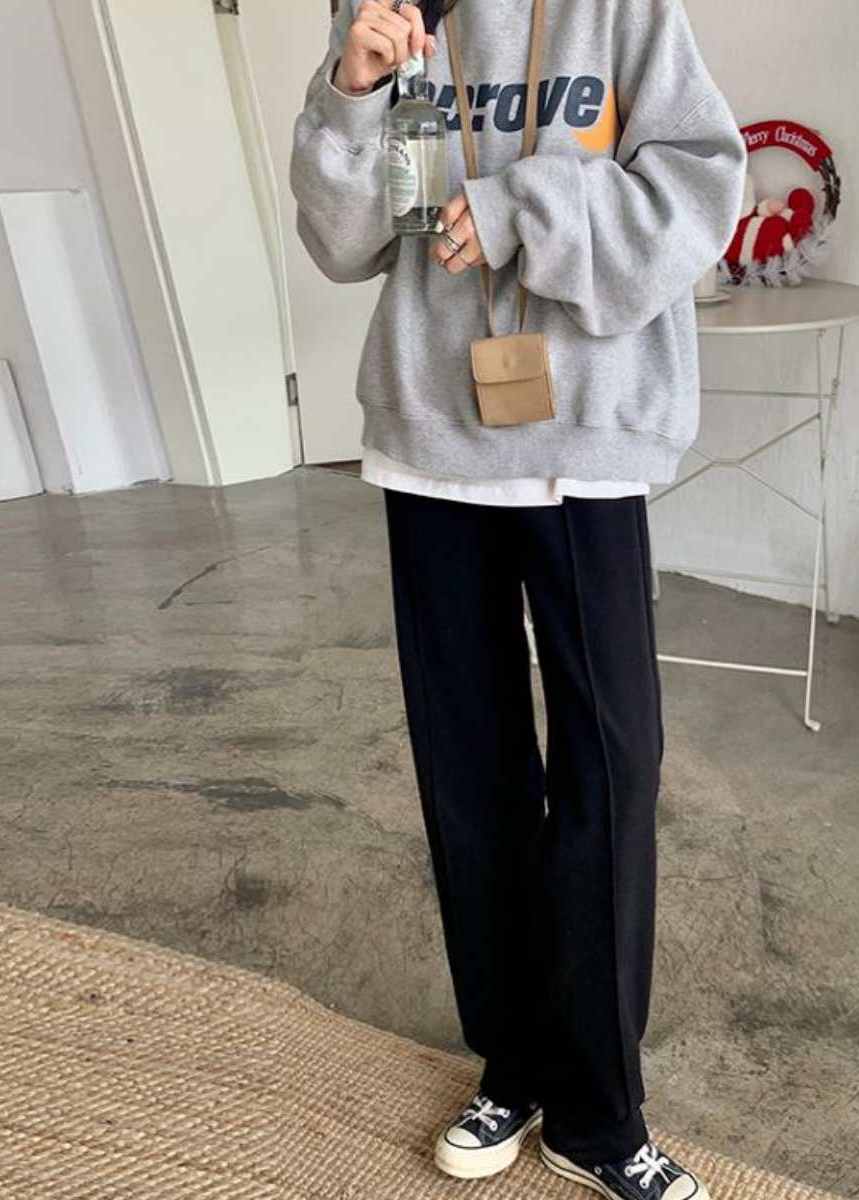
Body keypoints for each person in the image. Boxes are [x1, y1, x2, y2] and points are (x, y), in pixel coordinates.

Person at [290, 1, 746, 1196]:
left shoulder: (620, 10)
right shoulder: (388, 9)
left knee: (611, 767)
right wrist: (351, 90)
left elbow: (702, 186)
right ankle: (516, 1062)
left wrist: (518, 210)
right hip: (431, 436)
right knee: (472, 775)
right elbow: (346, 242)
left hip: (585, 437)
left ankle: (600, 1112)